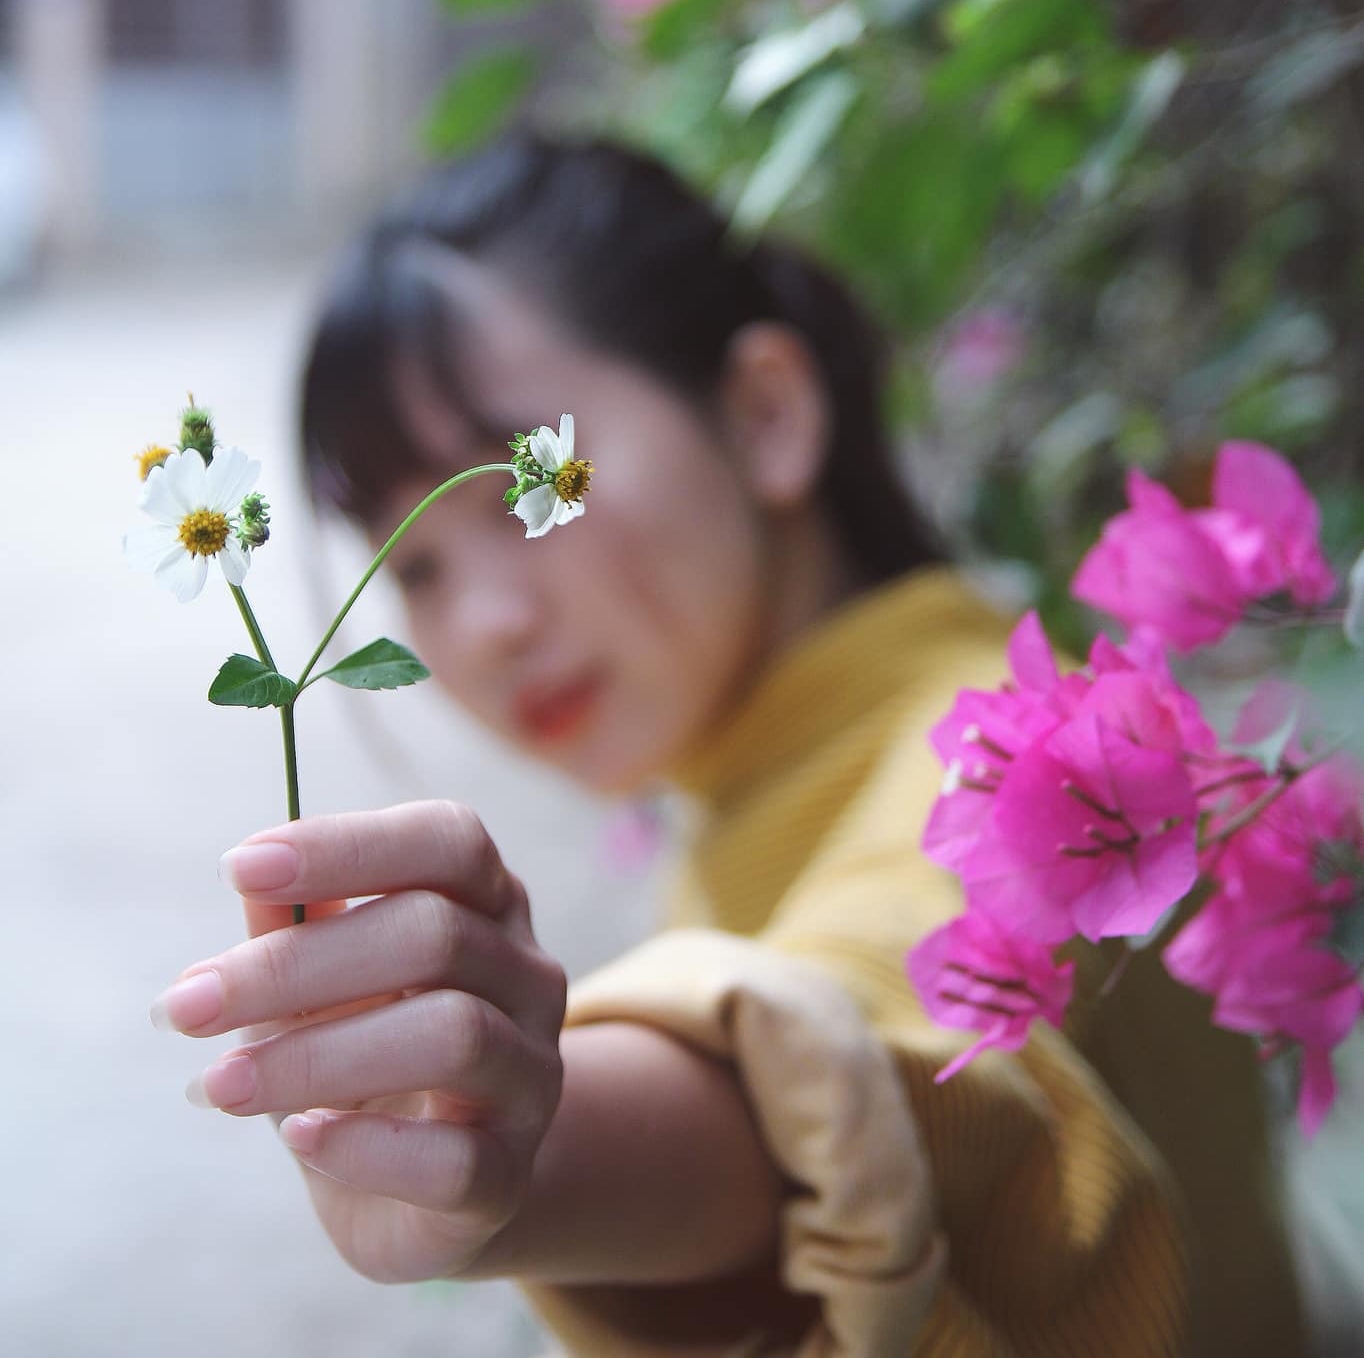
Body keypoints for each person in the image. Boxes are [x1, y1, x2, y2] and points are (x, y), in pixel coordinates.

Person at [153, 132, 1306, 1355]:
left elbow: (859, 1039)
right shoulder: (756, 778)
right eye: (421, 560)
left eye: (521, 489)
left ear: (762, 415)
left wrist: (538, 1148)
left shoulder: (1011, 760)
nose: (482, 624)